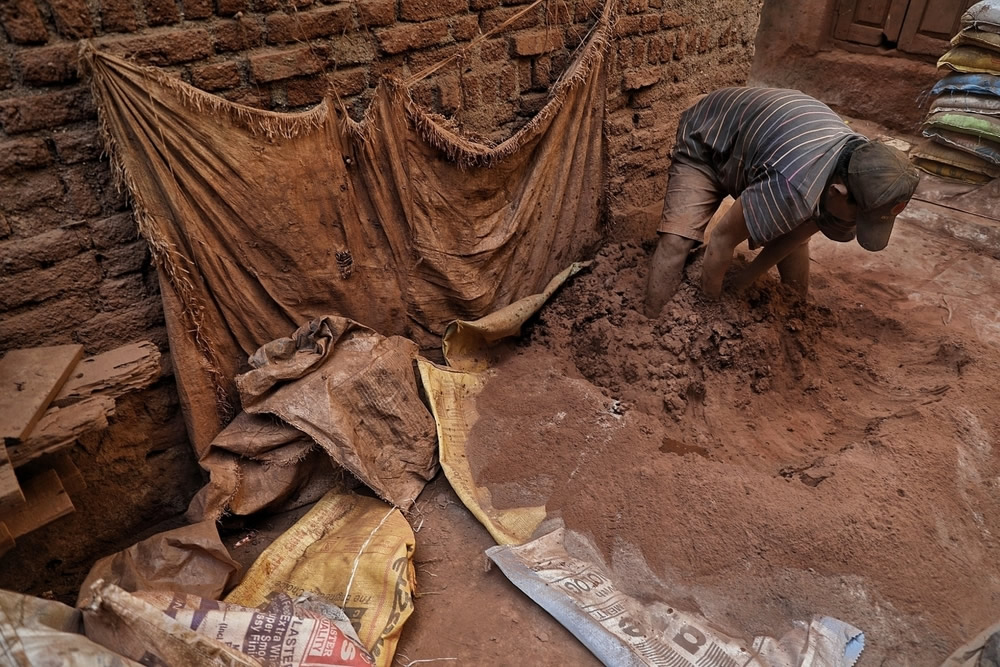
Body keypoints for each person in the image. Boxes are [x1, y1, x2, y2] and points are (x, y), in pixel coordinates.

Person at [644, 87, 920, 317]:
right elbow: (722, 239)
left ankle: (794, 311)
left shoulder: (860, 162)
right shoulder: (793, 185)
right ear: (837, 192)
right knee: (676, 242)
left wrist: (743, 282)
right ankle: (651, 321)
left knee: (802, 227)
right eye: (856, 218)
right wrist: (710, 309)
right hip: (707, 138)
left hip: (758, 148)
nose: (853, 226)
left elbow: (794, 237)